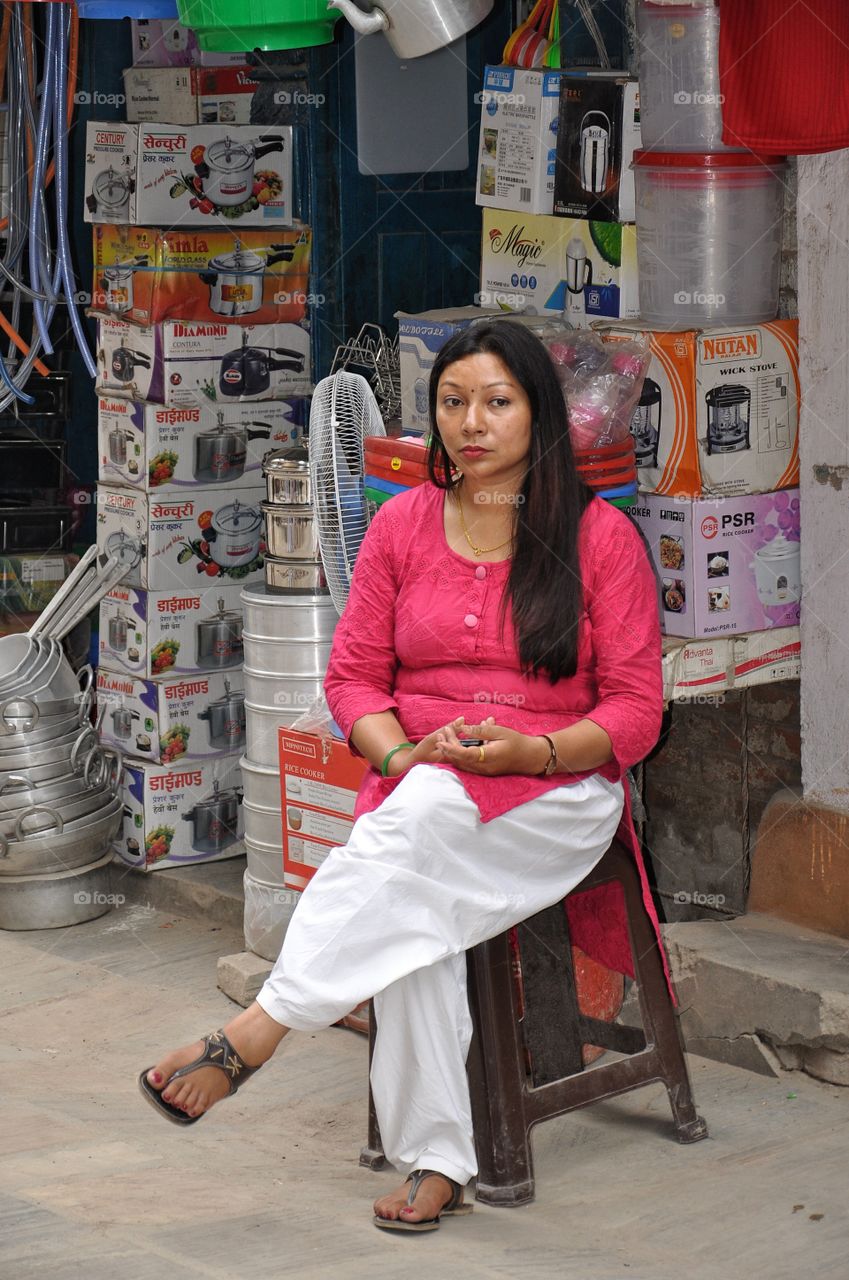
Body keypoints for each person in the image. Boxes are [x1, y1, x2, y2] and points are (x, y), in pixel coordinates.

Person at [138, 320, 663, 1233]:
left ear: (536, 415)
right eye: (453, 402)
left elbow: (632, 712)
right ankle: (437, 1160)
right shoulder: (398, 525)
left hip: (557, 792)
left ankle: (262, 1030)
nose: (471, 422)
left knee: (406, 847)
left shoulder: (599, 538)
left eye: (496, 402)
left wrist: (530, 752)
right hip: (421, 786)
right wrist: (396, 752)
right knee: (413, 880)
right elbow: (349, 680)